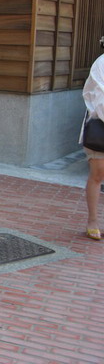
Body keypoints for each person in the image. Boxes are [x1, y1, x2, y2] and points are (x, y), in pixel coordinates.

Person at [81, 52, 104, 240]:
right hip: (100, 127)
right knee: (98, 174)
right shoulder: (101, 63)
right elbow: (99, 100)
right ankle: (93, 221)